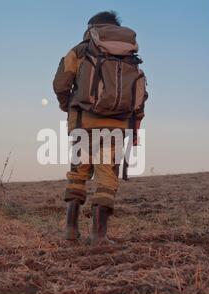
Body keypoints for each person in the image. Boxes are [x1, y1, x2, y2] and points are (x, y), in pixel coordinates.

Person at [53, 11, 148, 245]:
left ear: (91, 27)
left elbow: (60, 82)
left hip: (83, 123)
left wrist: (69, 106)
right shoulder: (129, 54)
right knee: (107, 177)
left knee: (78, 173)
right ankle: (99, 235)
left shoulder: (81, 49)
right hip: (116, 125)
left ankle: (71, 231)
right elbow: (140, 93)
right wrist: (135, 124)